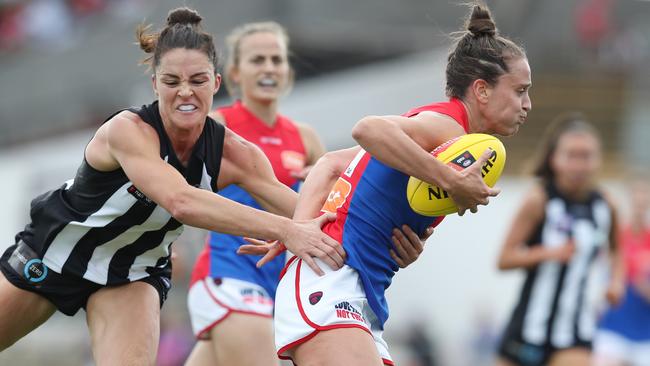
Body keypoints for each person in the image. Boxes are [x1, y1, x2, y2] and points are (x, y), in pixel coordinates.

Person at [0, 7, 348, 364]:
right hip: (56, 253)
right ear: (155, 84)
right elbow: (182, 201)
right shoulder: (128, 130)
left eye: (197, 81)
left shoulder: (237, 155)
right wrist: (288, 230)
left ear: (215, 82)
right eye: (171, 82)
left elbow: (310, 217)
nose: (185, 93)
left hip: (131, 274)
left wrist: (392, 234)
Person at [240, 3, 531, 364]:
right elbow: (367, 128)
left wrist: (410, 244)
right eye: (520, 91)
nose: (528, 104)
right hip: (330, 281)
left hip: (360, 293)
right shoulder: (447, 128)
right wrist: (297, 237)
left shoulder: (444, 138)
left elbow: (330, 165)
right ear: (482, 90)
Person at [184, 21, 431, 366]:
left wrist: (397, 243)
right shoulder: (218, 125)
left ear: (288, 70)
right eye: (258, 60)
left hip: (287, 284)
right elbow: (185, 195)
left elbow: (343, 209)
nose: (269, 67)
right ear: (235, 73)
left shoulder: (306, 138)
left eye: (277, 59)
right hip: (232, 272)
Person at [496, 113, 624, 366]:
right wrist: (548, 253)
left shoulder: (606, 204)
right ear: (554, 158)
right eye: (571, 155)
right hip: (528, 328)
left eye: (586, 156)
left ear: (597, 160)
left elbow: (617, 250)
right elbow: (504, 259)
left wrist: (616, 282)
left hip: (577, 330)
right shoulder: (538, 200)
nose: (579, 165)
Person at [593, 176, 650, 366]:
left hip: (644, 335)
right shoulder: (616, 237)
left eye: (645, 198)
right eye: (636, 197)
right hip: (613, 329)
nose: (640, 203)